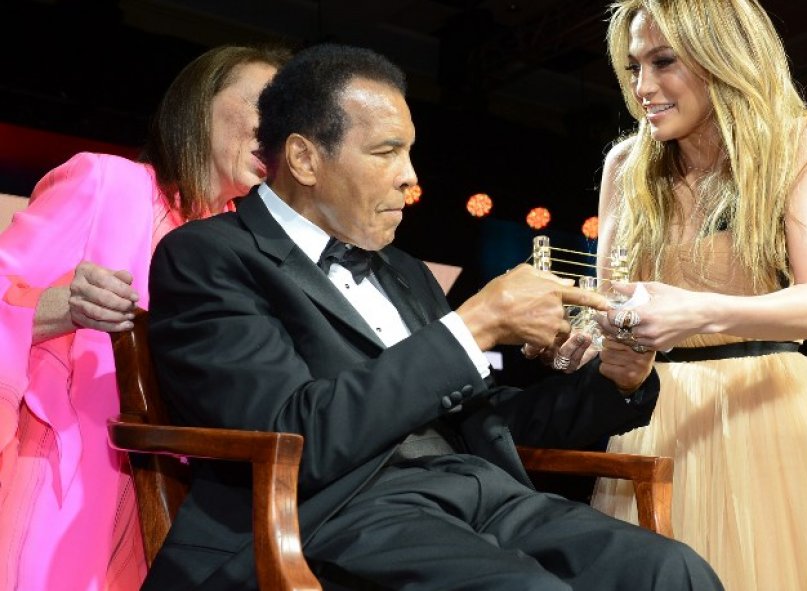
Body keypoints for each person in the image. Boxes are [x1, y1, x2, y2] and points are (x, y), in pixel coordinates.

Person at [143, 43, 724, 591]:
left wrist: (615, 378)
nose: (410, 175)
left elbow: (491, 421)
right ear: (303, 158)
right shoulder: (209, 256)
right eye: (385, 151)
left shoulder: (404, 270)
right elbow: (291, 435)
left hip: (479, 494)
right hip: (329, 513)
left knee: (671, 571)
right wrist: (475, 326)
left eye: (409, 150)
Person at [582, 1, 807, 589]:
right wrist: (570, 339)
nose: (643, 87)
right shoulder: (625, 165)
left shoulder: (801, 143)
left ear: (720, 57)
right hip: (654, 421)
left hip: (772, 415)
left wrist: (696, 312)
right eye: (633, 68)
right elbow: (610, 310)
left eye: (663, 62)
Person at [0, 45, 289, 590]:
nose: (273, 134)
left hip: (178, 500)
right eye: (263, 108)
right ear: (200, 103)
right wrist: (61, 306)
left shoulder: (244, 249)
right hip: (63, 479)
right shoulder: (108, 182)